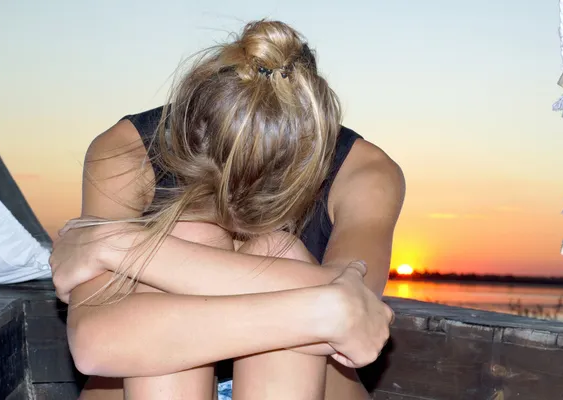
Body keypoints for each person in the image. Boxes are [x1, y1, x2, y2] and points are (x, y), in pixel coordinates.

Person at [50, 20, 405, 400]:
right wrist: (316, 311)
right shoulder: (126, 152)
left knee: (276, 248)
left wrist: (120, 246)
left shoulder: (365, 172)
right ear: (190, 141)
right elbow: (93, 343)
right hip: (152, 377)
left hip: (300, 383)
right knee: (192, 232)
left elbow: (360, 315)